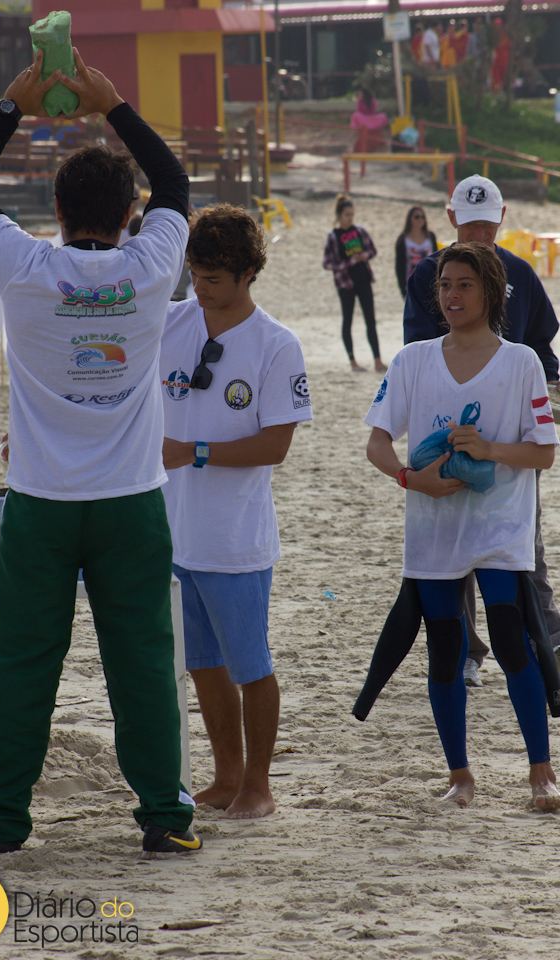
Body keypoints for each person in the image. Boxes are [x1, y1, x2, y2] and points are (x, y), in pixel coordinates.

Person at [0, 49, 202, 858]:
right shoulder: (151, 265)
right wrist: (113, 104)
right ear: (130, 213)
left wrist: (11, 109)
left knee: (20, 664)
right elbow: (176, 184)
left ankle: (0, 821)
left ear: (54, 209)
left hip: (41, 502)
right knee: (144, 663)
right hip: (131, 501)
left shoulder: (24, 266)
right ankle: (164, 819)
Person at [365, 242, 560, 811]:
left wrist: (489, 448)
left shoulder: (521, 362)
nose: (452, 295)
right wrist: (410, 479)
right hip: (433, 529)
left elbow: (544, 452)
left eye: (464, 285)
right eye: (445, 285)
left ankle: (541, 771)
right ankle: (460, 776)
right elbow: (377, 442)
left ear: (492, 293)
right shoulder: (412, 360)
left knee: (512, 639)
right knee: (445, 647)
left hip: (500, 528)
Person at [160, 203, 312, 819]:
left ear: (249, 273)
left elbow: (275, 446)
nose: (199, 288)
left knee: (251, 666)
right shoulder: (170, 321)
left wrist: (192, 450)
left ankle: (258, 786)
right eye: (194, 274)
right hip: (173, 533)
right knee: (203, 665)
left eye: (213, 278)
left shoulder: (277, 344)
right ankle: (225, 778)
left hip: (235, 539)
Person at [404, 174, 560, 688]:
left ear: (502, 219)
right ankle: (466, 648)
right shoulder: (431, 274)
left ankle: (547, 639)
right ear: (452, 218)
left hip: (511, 437)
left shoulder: (520, 273)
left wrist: (550, 383)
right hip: (448, 434)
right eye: (469, 225)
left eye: (487, 226)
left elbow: (541, 344)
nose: (478, 235)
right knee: (453, 541)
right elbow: (417, 354)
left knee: (524, 539)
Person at [323, 195, 386, 373]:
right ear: (339, 215)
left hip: (364, 280)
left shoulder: (360, 231)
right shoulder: (333, 236)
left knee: (370, 321)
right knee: (348, 320)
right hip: (345, 284)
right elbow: (327, 263)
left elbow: (372, 250)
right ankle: (353, 362)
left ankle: (378, 361)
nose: (350, 218)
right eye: (347, 215)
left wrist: (365, 256)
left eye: (352, 214)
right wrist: (349, 262)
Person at [395, 206, 437, 298]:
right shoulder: (403, 240)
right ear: (410, 219)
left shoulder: (431, 236)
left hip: (430, 284)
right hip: (411, 284)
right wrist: (403, 291)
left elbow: (437, 260)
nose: (420, 220)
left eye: (423, 217)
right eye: (417, 217)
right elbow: (399, 267)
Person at [491, 18, 511, 93]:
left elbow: (508, 49)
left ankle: (502, 93)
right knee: (496, 79)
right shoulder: (492, 36)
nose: (497, 27)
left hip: (504, 61)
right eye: (496, 25)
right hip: (495, 62)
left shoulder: (505, 36)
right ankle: (496, 93)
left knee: (503, 79)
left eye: (499, 25)